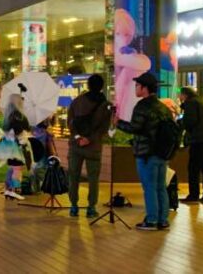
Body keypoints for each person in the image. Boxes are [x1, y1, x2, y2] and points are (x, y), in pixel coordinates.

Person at [115, 72, 174, 231]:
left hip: (146, 153)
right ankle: (163, 220)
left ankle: (151, 220)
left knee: (149, 187)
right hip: (162, 154)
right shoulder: (163, 107)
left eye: (137, 86)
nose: (135, 88)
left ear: (145, 88)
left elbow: (135, 128)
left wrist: (118, 122)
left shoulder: (142, 106)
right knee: (160, 187)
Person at [67, 73, 112, 218]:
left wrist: (78, 137)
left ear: (88, 85)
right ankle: (91, 207)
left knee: (73, 176)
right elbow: (104, 128)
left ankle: (73, 206)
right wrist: (90, 139)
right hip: (94, 148)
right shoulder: (106, 105)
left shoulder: (77, 101)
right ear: (102, 87)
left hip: (76, 146)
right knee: (93, 179)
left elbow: (70, 123)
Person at [178, 87, 203, 204]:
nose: (179, 98)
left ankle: (194, 195)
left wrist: (180, 123)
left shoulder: (191, 103)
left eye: (180, 95)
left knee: (194, 168)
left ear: (185, 95)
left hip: (199, 140)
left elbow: (190, 122)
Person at [0, 93, 30, 200]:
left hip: (7, 145)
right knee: (17, 169)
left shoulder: (8, 116)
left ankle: (8, 189)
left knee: (12, 168)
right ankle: (15, 189)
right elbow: (25, 129)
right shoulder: (20, 116)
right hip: (17, 145)